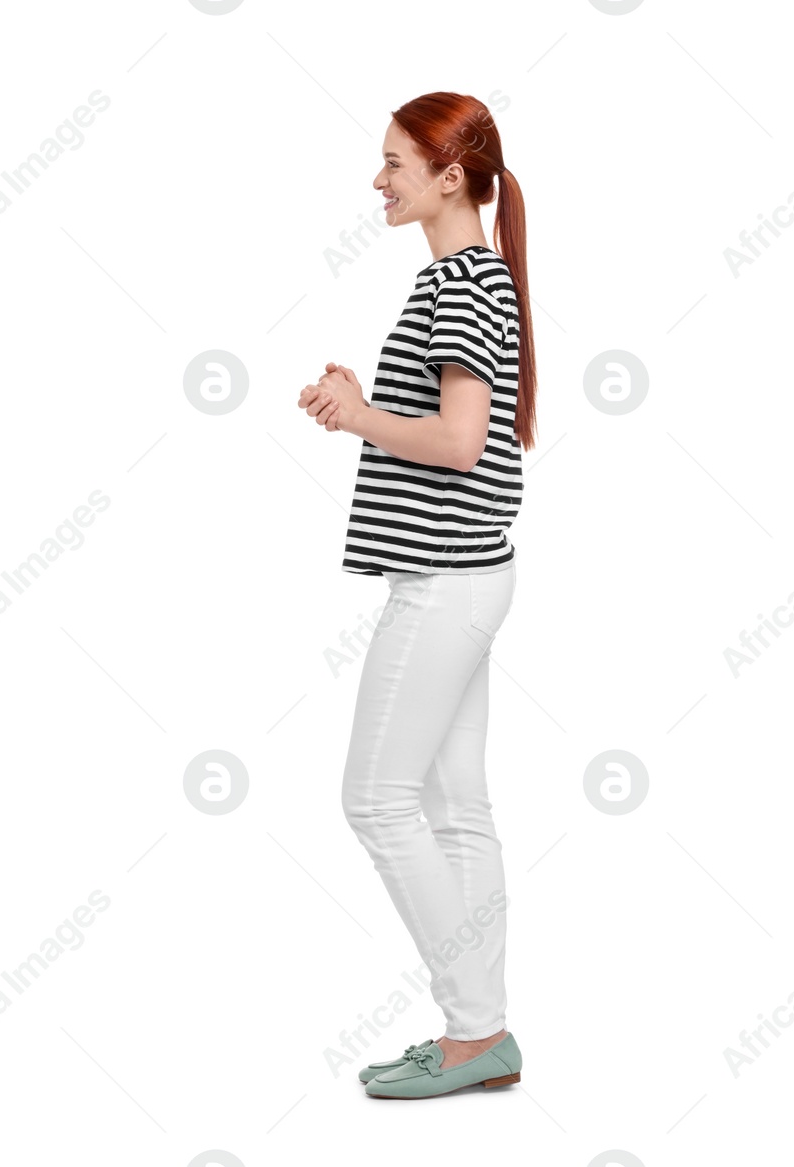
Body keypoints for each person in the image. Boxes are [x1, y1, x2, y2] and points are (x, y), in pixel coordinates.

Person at [298, 91, 538, 1100]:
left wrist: (359, 419)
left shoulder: (462, 286)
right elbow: (450, 426)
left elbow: (460, 444)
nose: (378, 179)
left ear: (450, 177)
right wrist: (370, 402)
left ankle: (475, 1030)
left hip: (445, 584)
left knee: (376, 800)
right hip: (468, 573)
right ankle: (477, 1031)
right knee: (451, 806)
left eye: (395, 161)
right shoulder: (466, 279)